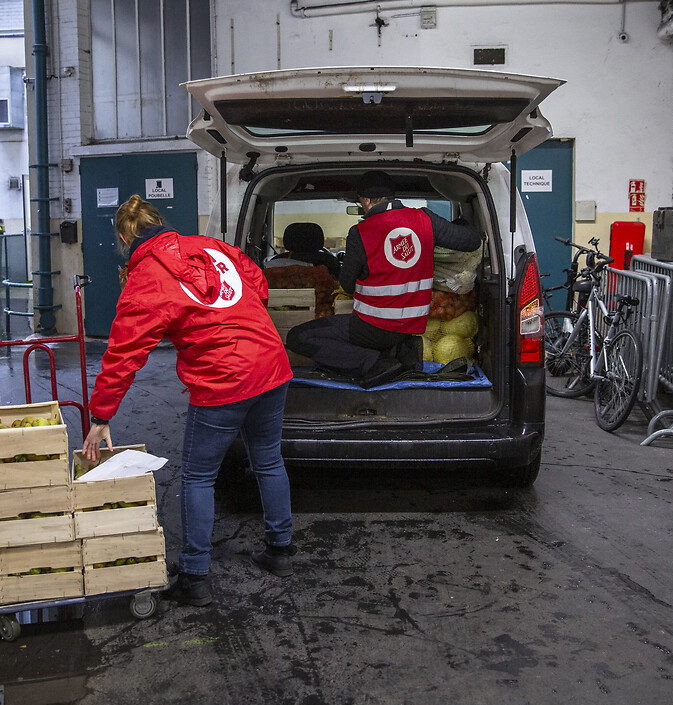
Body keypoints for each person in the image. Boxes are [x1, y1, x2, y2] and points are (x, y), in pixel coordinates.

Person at [83, 195, 295, 607]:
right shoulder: (211, 246)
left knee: (199, 476)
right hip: (270, 364)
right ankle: (280, 551)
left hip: (222, 382)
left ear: (126, 237)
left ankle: (195, 576)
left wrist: (101, 416)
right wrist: (244, 326)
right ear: (160, 222)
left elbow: (124, 353)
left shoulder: (147, 276)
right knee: (268, 460)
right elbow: (256, 280)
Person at [286, 170, 482, 387]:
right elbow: (472, 241)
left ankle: (372, 362)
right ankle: (400, 351)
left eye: (361, 201)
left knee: (298, 337)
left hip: (372, 328)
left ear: (368, 201)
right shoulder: (425, 219)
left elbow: (347, 284)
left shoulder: (361, 231)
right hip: (413, 326)